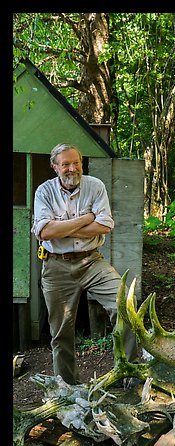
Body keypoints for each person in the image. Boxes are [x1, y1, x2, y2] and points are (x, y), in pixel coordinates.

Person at [31, 143, 138, 384]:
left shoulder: (95, 186)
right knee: (61, 332)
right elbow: (45, 232)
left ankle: (129, 372)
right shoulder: (44, 192)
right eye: (65, 164)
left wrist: (63, 229)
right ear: (54, 167)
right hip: (56, 266)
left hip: (92, 261)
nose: (72, 168)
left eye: (76, 162)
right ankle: (68, 387)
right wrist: (87, 218)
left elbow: (105, 225)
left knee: (125, 306)